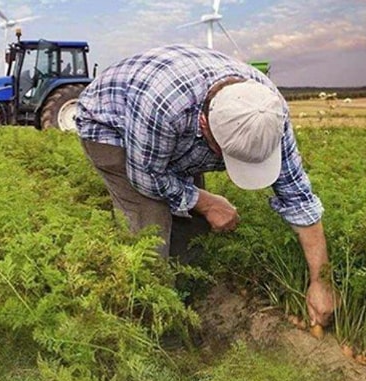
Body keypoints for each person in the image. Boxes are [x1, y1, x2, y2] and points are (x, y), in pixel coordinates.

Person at [75, 45, 335, 327]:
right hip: (111, 126)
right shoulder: (164, 107)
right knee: (150, 227)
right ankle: (152, 321)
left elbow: (298, 198)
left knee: (192, 222)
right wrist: (208, 202)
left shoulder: (268, 111)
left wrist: (321, 281)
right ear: (205, 124)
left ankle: (189, 298)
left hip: (171, 129)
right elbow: (147, 177)